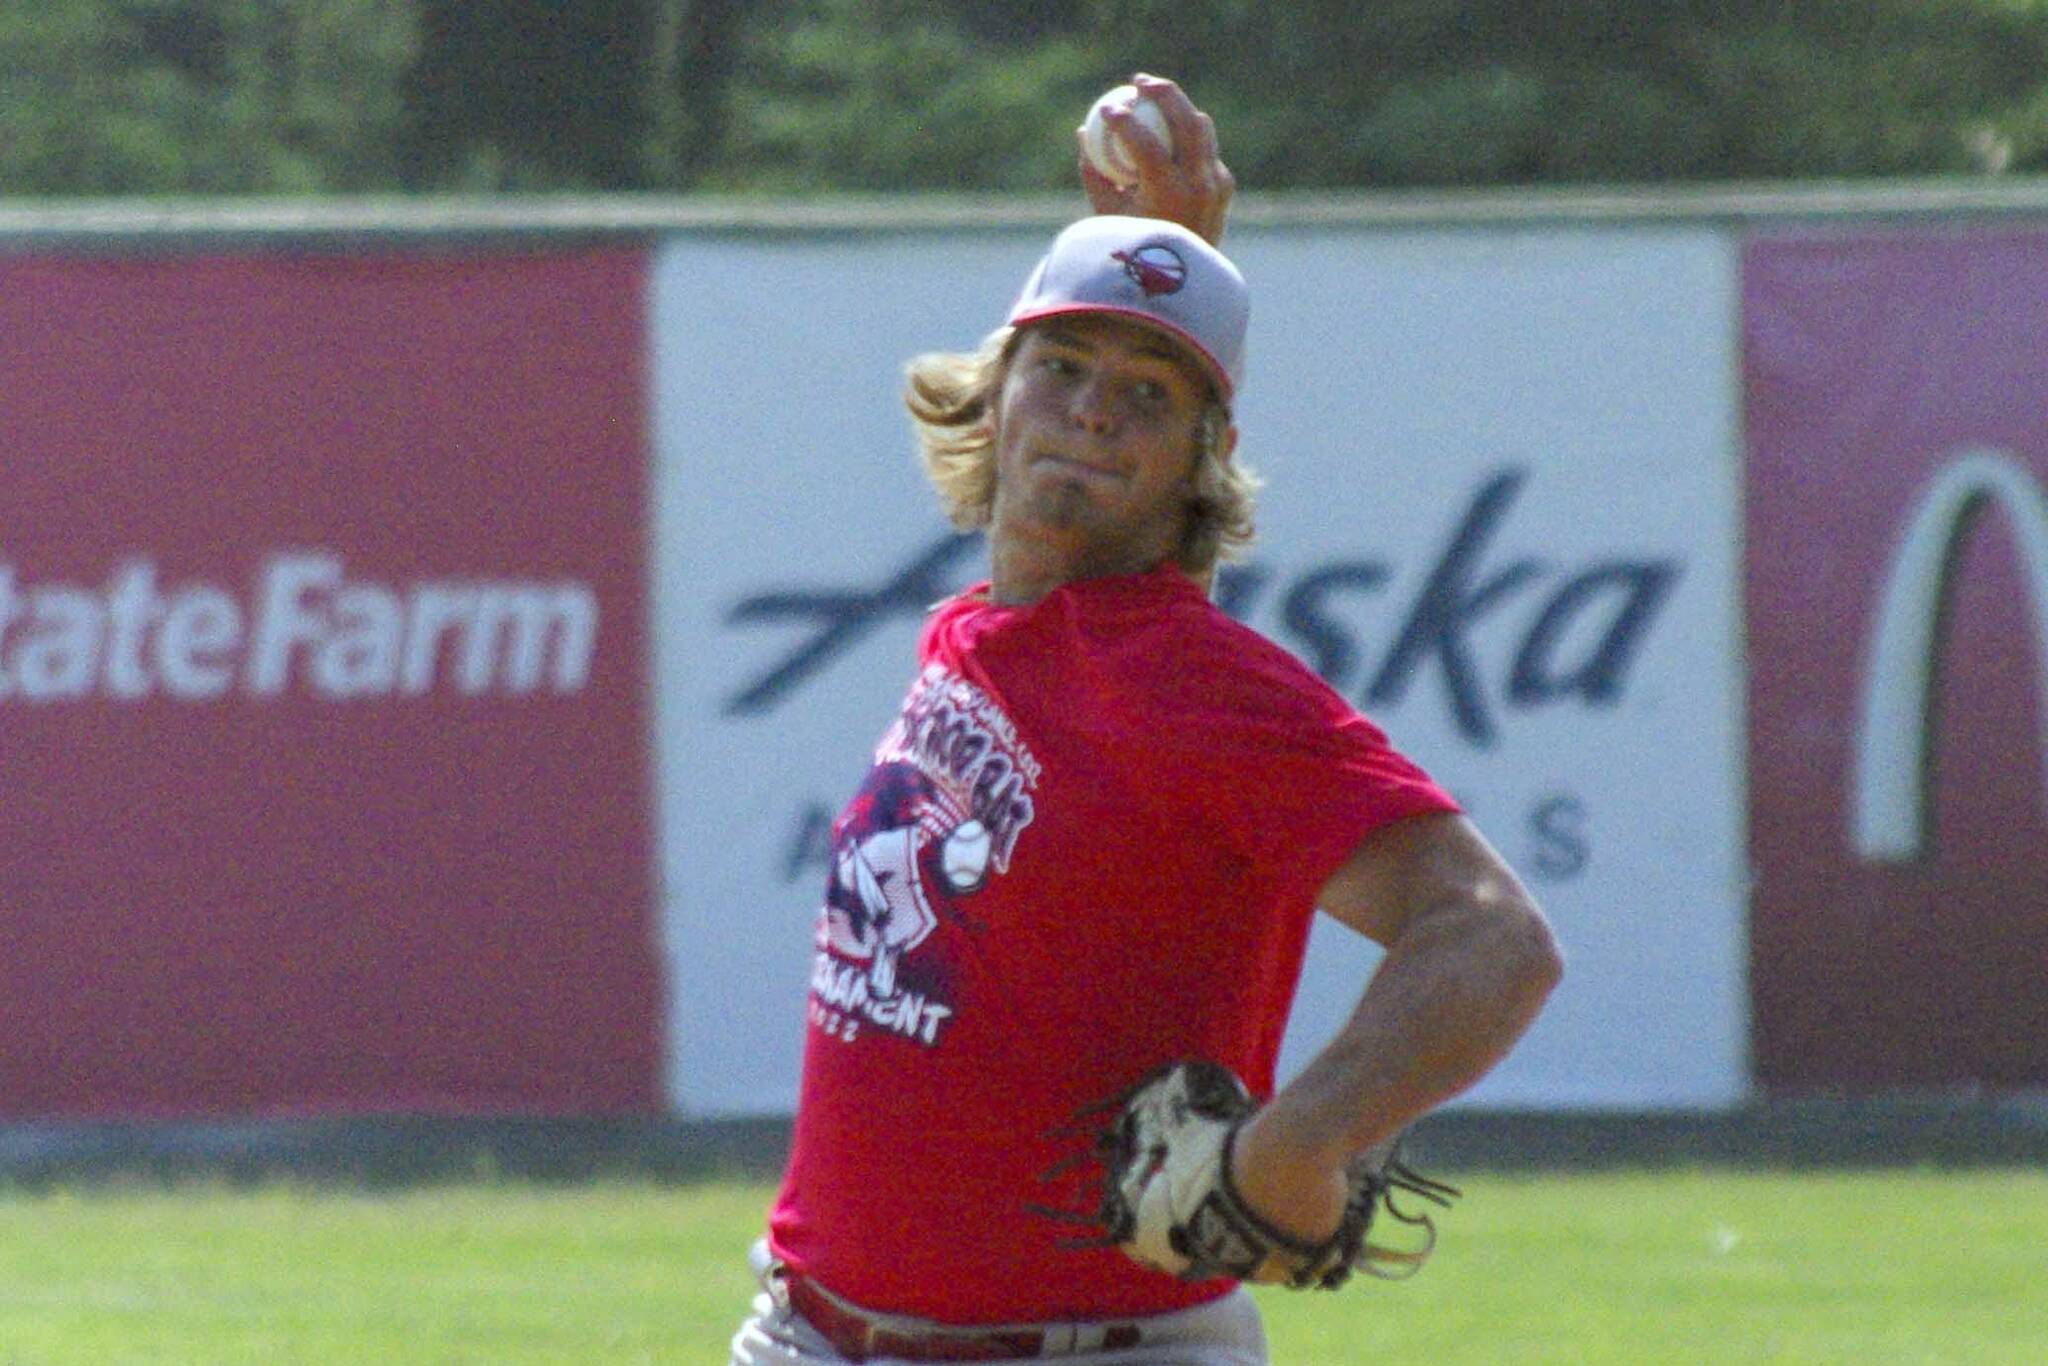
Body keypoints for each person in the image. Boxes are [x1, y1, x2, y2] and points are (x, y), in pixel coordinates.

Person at [729, 74, 1562, 1365]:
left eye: (1149, 396)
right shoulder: (995, 629)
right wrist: (1171, 265)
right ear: (995, 394)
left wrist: (1304, 1134)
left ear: (1201, 460)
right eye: (1061, 369)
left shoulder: (1185, 675)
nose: (1096, 408)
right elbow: (1123, 597)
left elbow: (1492, 934)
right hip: (811, 1332)